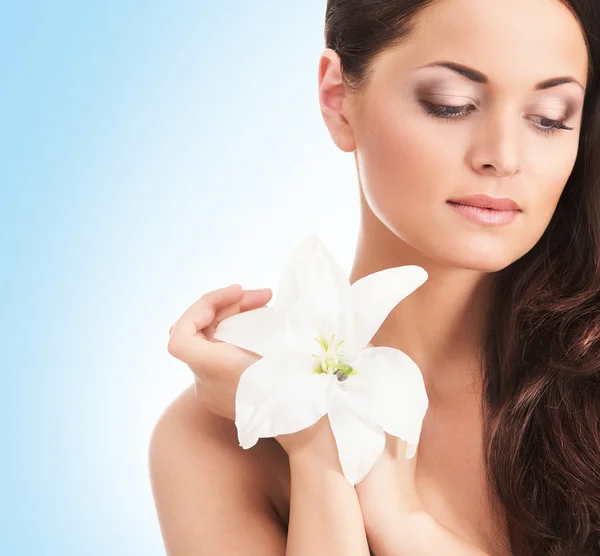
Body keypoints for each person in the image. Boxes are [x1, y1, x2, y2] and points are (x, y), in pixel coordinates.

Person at [149, 0, 600, 554]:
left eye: (550, 117)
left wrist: (399, 522)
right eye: (451, 104)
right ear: (338, 99)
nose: (503, 158)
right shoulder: (213, 435)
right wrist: (318, 449)